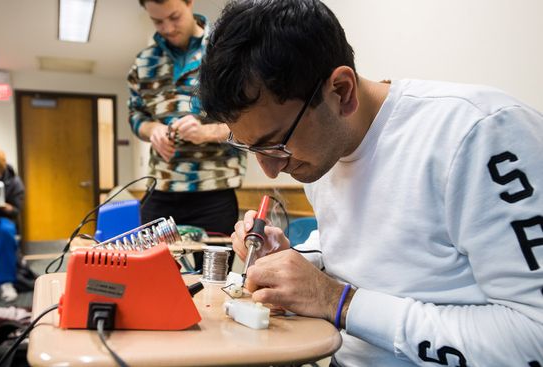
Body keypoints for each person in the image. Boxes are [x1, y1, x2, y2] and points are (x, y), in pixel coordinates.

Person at [198, 0, 543, 366]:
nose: (269, 170)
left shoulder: (479, 135)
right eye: (251, 147)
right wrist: (294, 260)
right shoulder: (319, 152)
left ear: (342, 91)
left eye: (277, 143)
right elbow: (365, 255)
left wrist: (339, 302)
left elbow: (534, 337)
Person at [127, 0, 246, 270]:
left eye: (174, 17)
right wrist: (152, 130)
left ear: (190, 3)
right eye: (158, 21)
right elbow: (136, 116)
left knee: (213, 280)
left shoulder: (226, 50)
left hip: (214, 190)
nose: (167, 28)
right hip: (162, 187)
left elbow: (251, 119)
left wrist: (207, 132)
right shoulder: (144, 62)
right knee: (149, 273)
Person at [0, 149, 24, 303]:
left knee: (5, 232)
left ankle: (6, 282)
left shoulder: (14, 182)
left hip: (2, 220)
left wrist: (6, 207)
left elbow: (17, 209)